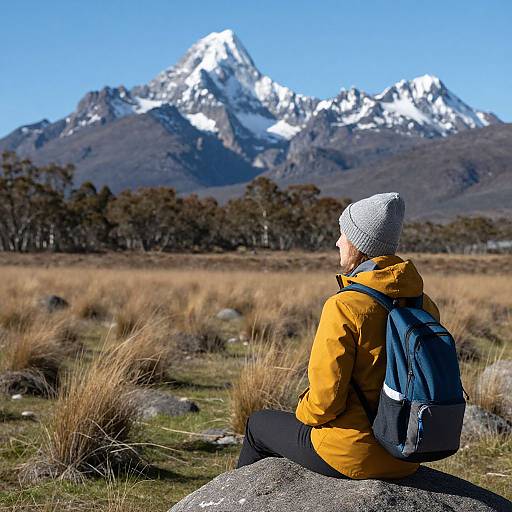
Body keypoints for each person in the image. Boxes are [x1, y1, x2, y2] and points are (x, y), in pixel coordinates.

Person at [236, 192, 441, 479]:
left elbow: (324, 403)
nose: (337, 242)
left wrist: (301, 412)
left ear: (359, 244)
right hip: (406, 452)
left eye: (343, 234)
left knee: (258, 425)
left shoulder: (343, 306)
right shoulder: (424, 303)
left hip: (352, 454)